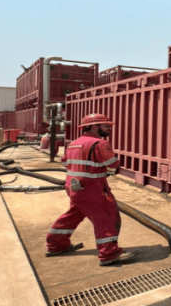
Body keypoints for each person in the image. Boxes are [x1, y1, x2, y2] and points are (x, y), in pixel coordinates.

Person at [46, 114, 139, 266]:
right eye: (106, 126)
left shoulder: (74, 143)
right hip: (92, 188)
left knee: (73, 215)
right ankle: (109, 253)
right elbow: (112, 164)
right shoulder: (100, 144)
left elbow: (64, 163)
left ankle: (55, 244)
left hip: (73, 187)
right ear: (94, 126)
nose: (109, 128)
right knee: (106, 217)